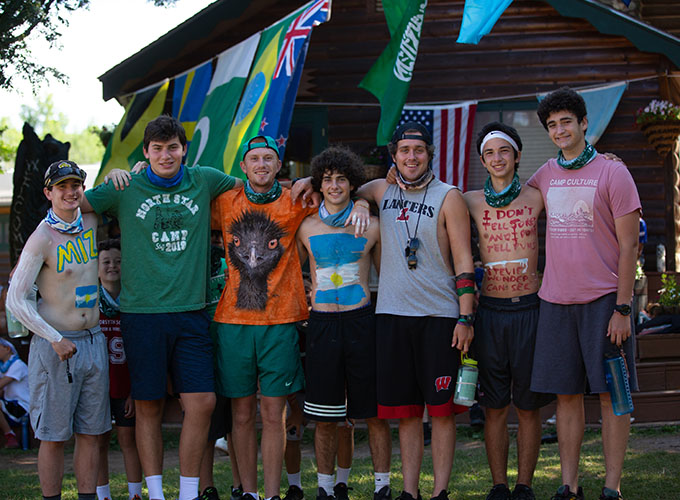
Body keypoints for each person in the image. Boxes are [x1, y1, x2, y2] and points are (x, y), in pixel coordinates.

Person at [82, 115, 244, 500]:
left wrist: (303, 183)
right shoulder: (126, 188)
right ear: (146, 152)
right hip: (141, 314)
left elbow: (253, 186)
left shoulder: (203, 178)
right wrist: (114, 174)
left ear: (184, 149)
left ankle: (188, 492)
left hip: (191, 311)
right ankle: (155, 493)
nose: (166, 155)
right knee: (149, 406)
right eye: (157, 148)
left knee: (201, 403)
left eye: (173, 147)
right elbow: (77, 202)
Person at [211, 135, 369, 500]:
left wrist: (361, 201)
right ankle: (248, 492)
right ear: (244, 167)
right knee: (240, 416)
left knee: (273, 414)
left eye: (269, 158)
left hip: (280, 322)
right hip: (233, 322)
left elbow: (338, 197)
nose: (262, 165)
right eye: (255, 159)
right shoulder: (223, 202)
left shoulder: (298, 201)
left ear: (279, 165)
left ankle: (271, 494)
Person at [529, 87, 640, 500]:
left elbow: (630, 246)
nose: (560, 130)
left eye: (566, 122)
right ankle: (569, 484)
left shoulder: (614, 173)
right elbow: (504, 199)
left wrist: (624, 308)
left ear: (583, 123)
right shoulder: (545, 175)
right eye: (552, 125)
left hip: (605, 302)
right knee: (566, 397)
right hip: (556, 302)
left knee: (613, 392)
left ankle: (611, 486)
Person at [356, 122, 475, 500]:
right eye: (404, 151)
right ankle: (409, 491)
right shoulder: (381, 189)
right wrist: (360, 200)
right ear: (394, 155)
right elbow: (355, 187)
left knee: (440, 411)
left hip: (440, 317)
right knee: (405, 413)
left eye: (418, 150)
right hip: (391, 315)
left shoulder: (449, 195)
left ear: (430, 154)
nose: (411, 157)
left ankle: (439, 491)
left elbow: (464, 261)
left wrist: (466, 317)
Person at [7, 160, 110, 500]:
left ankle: (87, 497)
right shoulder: (41, 238)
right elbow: (15, 299)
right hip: (56, 347)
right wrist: (54, 338)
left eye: (75, 184)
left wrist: (128, 170)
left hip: (93, 341)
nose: (70, 191)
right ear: (48, 192)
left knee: (92, 433)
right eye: (62, 186)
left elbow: (117, 190)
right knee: (52, 435)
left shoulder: (91, 221)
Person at [296, 146, 392, 500]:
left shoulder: (373, 227)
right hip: (321, 325)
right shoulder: (305, 226)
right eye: (327, 179)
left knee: (373, 413)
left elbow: (389, 278)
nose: (334, 185)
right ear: (319, 184)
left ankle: (382, 487)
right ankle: (325, 489)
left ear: (352, 184)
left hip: (361, 324)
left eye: (341, 179)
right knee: (325, 416)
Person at [463, 122, 554, 500]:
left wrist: (607, 160)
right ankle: (500, 485)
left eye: (504, 151)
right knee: (495, 406)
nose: (497, 159)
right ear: (483, 160)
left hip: (530, 308)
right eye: (490, 153)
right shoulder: (468, 199)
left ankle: (524, 485)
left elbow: (577, 182)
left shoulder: (537, 196)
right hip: (491, 314)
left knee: (528, 407)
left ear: (517, 156)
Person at [95, 238, 143, 500]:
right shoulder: (88, 303)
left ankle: (135, 493)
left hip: (126, 385)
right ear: (97, 267)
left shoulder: (133, 301)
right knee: (98, 441)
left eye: (118, 261)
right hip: (97, 387)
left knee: (128, 439)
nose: (112, 266)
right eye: (106, 262)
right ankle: (103, 495)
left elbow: (140, 351)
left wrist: (135, 390)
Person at [0, 337, 29, 449]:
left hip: (22, 406)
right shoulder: (3, 368)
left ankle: (10, 436)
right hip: (9, 404)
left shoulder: (17, 365)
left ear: (7, 348)